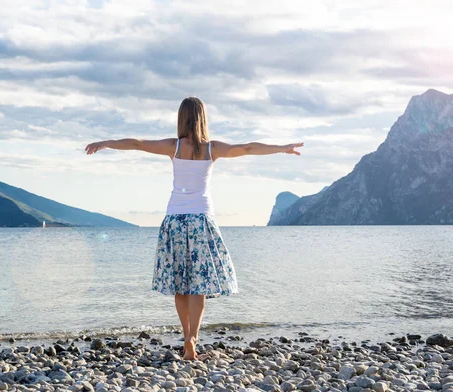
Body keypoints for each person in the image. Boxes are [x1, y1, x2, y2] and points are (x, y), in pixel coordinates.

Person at [85, 97, 303, 360]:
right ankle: (192, 340)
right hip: (201, 219)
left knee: (180, 283)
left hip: (175, 219)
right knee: (198, 285)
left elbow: (137, 144)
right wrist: (282, 148)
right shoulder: (212, 149)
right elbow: (247, 148)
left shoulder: (174, 147)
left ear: (181, 117)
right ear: (202, 118)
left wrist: (106, 142)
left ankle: (185, 334)